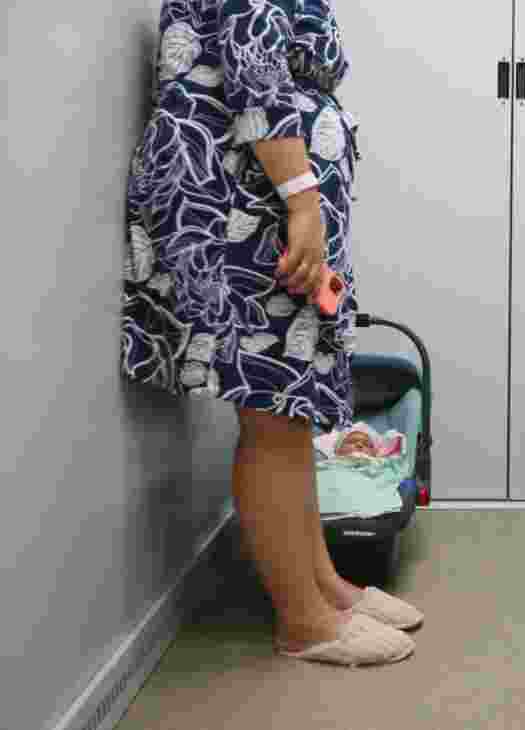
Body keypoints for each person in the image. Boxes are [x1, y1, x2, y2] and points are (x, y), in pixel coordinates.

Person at [121, 0, 423, 667]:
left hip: (259, 196)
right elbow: (254, 73)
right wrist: (303, 201)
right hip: (243, 197)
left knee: (293, 408)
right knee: (275, 413)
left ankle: (324, 588)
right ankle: (304, 618)